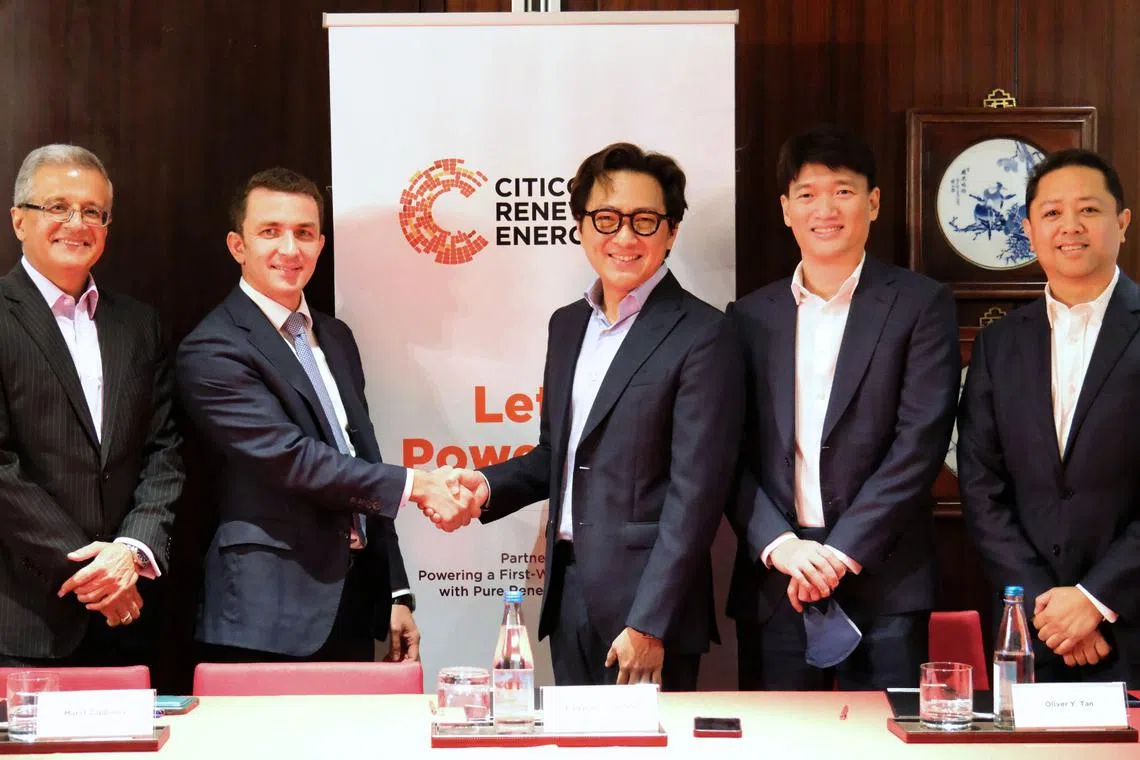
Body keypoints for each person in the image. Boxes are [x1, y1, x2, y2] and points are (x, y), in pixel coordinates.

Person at [437, 142, 743, 689]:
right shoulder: (566, 325)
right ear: (581, 226)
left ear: (671, 232)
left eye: (645, 220)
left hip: (648, 612)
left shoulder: (704, 333)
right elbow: (558, 452)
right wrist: (485, 484)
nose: (624, 237)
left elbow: (696, 496)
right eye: (606, 218)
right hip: (568, 593)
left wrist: (650, 621)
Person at [176, 168, 475, 662]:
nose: (289, 249)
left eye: (304, 233)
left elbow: (363, 455)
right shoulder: (213, 348)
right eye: (270, 232)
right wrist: (417, 485)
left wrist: (395, 592)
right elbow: (291, 460)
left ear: (320, 243)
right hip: (266, 617)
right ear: (237, 245)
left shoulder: (334, 337)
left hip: (353, 604)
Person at [726, 124, 959, 690]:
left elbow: (919, 444)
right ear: (785, 209)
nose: (824, 208)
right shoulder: (748, 318)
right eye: (806, 194)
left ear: (874, 202)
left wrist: (840, 551)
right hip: (777, 580)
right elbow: (726, 451)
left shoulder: (920, 305)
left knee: (884, 743)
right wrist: (781, 546)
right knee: (775, 745)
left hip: (885, 578)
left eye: (843, 190)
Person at [958, 148, 1138, 685]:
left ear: (1122, 223)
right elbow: (980, 484)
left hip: (1130, 620)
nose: (1070, 227)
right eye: (1053, 213)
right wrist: (1048, 607)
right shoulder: (998, 343)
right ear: (1029, 230)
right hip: (1029, 629)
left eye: (1089, 210)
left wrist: (1095, 600)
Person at [0, 144, 184, 666]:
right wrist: (93, 575)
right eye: (56, 207)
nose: (76, 223)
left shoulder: (137, 324)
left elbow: (163, 452)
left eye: (92, 212)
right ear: (19, 220)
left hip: (131, 617)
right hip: (24, 619)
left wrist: (131, 551)